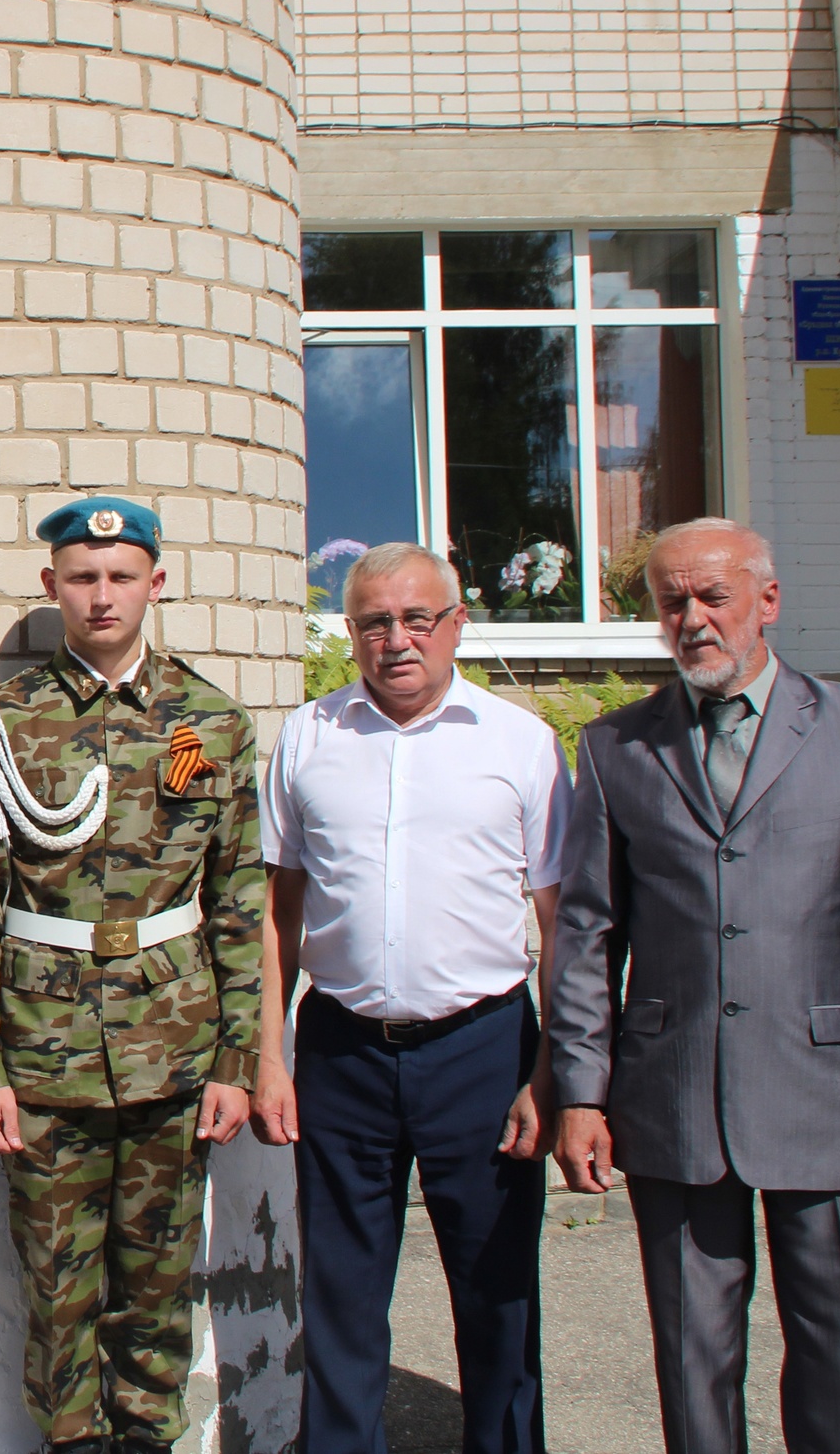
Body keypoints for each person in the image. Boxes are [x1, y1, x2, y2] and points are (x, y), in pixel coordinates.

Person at [551, 517, 840, 1454]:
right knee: (694, 1363)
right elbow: (586, 933)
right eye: (672, 603)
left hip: (831, 1100)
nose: (693, 620)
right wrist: (579, 1091)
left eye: (713, 597)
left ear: (766, 602)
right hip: (673, 1096)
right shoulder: (617, 748)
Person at [0, 495, 261, 1454]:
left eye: (122, 577)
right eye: (83, 577)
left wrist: (237, 1059)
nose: (103, 594)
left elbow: (241, 903)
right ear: (53, 589)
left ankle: (151, 1441)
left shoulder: (211, 721)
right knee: (58, 1282)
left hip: (175, 1048)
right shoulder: (5, 725)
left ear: (155, 584)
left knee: (160, 1283)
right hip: (47, 1056)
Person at [253, 542, 566, 1454]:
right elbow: (278, 911)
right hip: (343, 1048)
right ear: (350, 634)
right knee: (343, 1291)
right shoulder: (310, 737)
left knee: (497, 1287)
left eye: (416, 618)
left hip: (484, 1048)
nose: (397, 639)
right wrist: (270, 1057)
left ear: (456, 624)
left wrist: (553, 1073)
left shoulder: (520, 745)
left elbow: (564, 923)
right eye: (374, 622)